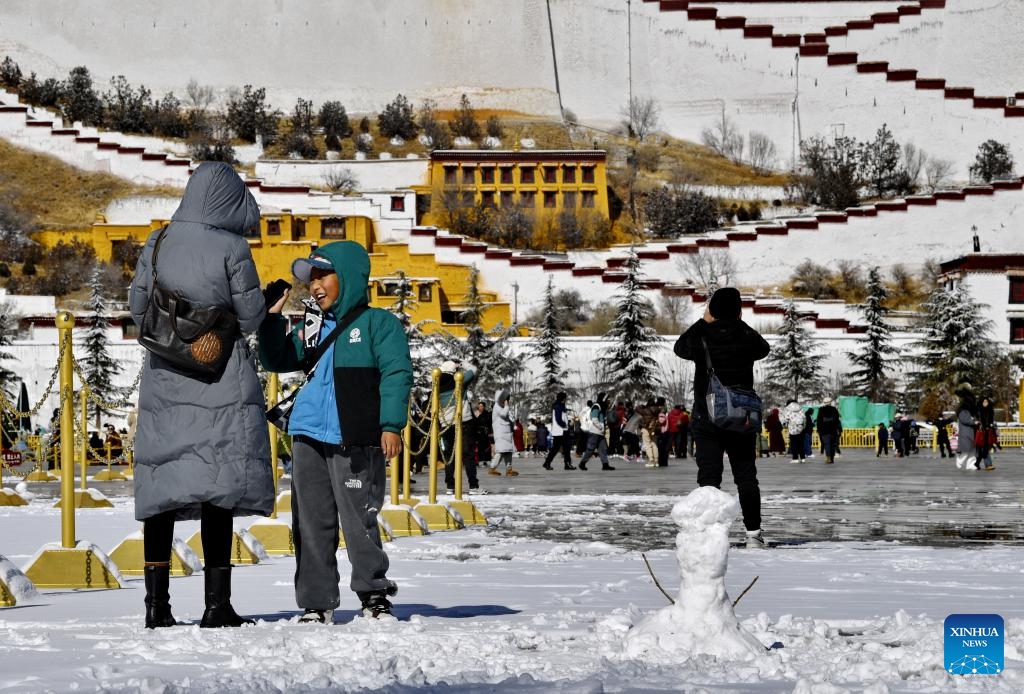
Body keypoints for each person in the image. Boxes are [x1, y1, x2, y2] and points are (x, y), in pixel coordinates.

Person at [129, 161, 274, 629]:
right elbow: (250, 318)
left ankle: (157, 607)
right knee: (218, 489)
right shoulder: (233, 246)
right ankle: (217, 606)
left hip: (165, 376)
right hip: (218, 378)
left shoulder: (159, 239)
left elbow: (137, 308)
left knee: (163, 490)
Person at [259, 240, 413, 622]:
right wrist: (270, 320)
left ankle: (373, 595)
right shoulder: (313, 327)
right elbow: (277, 359)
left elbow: (397, 375)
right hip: (308, 435)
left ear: (347, 277)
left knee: (359, 520)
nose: (314, 285)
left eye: (322, 275)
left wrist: (391, 425)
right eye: (311, 278)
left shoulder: (379, 324)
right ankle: (316, 602)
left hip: (355, 438)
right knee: (310, 523)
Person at [674, 287, 771, 549]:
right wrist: (738, 321)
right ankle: (753, 534)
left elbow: (679, 348)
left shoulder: (702, 334)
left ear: (712, 310)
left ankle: (710, 534)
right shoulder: (745, 335)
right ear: (738, 310)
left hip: (707, 417)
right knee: (746, 477)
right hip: (741, 417)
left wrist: (704, 320)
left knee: (709, 477)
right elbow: (764, 348)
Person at [438, 361, 480, 493]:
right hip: (463, 422)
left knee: (449, 455)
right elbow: (473, 369)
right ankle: (473, 486)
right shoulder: (459, 380)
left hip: (446, 424)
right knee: (468, 455)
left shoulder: (436, 383)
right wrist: (462, 364)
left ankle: (450, 486)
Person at [577, 392, 615, 471]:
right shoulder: (596, 406)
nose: (608, 401)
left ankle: (605, 465)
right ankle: (582, 463)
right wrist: (600, 427)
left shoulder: (602, 407)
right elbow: (594, 418)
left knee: (603, 449)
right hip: (595, 432)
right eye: (607, 399)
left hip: (600, 433)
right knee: (590, 449)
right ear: (604, 399)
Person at [542, 392, 574, 470]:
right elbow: (558, 419)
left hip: (559, 431)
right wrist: (565, 425)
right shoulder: (559, 406)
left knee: (556, 448)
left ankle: (547, 463)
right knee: (566, 448)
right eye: (565, 398)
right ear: (563, 399)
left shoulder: (558, 405)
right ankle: (567, 464)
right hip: (562, 431)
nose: (566, 400)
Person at [489, 389, 518, 476]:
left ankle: (509, 469)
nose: (507, 401)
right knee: (500, 451)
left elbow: (508, 418)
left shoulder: (503, 407)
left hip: (506, 433)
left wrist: (513, 425)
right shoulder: (497, 407)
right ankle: (492, 468)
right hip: (500, 433)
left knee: (508, 451)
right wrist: (506, 406)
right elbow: (503, 414)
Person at [954, 389, 979, 471]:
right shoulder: (963, 411)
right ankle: (960, 460)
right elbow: (965, 420)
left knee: (972, 451)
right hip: (966, 434)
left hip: (971, 433)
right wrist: (974, 422)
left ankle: (971, 464)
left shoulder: (969, 411)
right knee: (966, 450)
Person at [815, 399, 841, 464]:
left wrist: (818, 429)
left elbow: (819, 421)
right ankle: (832, 458)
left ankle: (828, 457)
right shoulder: (834, 409)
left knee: (827, 444)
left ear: (824, 402)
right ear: (830, 402)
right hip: (833, 430)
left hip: (824, 430)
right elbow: (837, 420)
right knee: (832, 444)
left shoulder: (821, 409)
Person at [975, 396, 996, 471]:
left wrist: (991, 426)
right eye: (984, 402)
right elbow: (974, 420)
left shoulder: (990, 411)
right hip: (979, 432)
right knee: (979, 450)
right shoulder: (978, 411)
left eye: (986, 402)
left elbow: (992, 421)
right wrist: (977, 423)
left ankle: (988, 465)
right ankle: (976, 463)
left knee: (985, 449)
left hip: (987, 432)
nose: (985, 403)